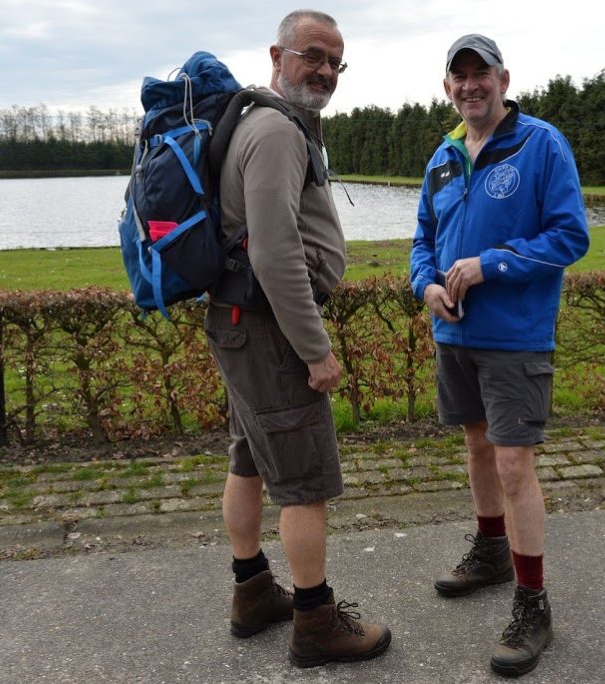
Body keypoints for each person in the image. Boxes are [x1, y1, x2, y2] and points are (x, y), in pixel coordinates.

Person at [203, 9, 391, 669]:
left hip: (241, 322)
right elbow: (276, 254)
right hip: (271, 330)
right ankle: (315, 623)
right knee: (304, 481)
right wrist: (316, 349)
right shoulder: (277, 131)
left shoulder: (258, 122)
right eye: (313, 55)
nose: (325, 71)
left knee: (249, 459)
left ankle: (253, 592)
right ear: (277, 55)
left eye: (335, 62)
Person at [409, 34, 590, 678]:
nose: (470, 85)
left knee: (514, 464)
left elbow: (570, 235)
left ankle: (533, 603)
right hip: (456, 336)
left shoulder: (541, 144)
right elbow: (423, 239)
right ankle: (491, 552)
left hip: (515, 337)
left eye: (480, 73)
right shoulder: (444, 156)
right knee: (477, 446)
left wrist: (492, 264)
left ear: (503, 79)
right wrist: (425, 285)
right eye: (458, 76)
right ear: (447, 87)